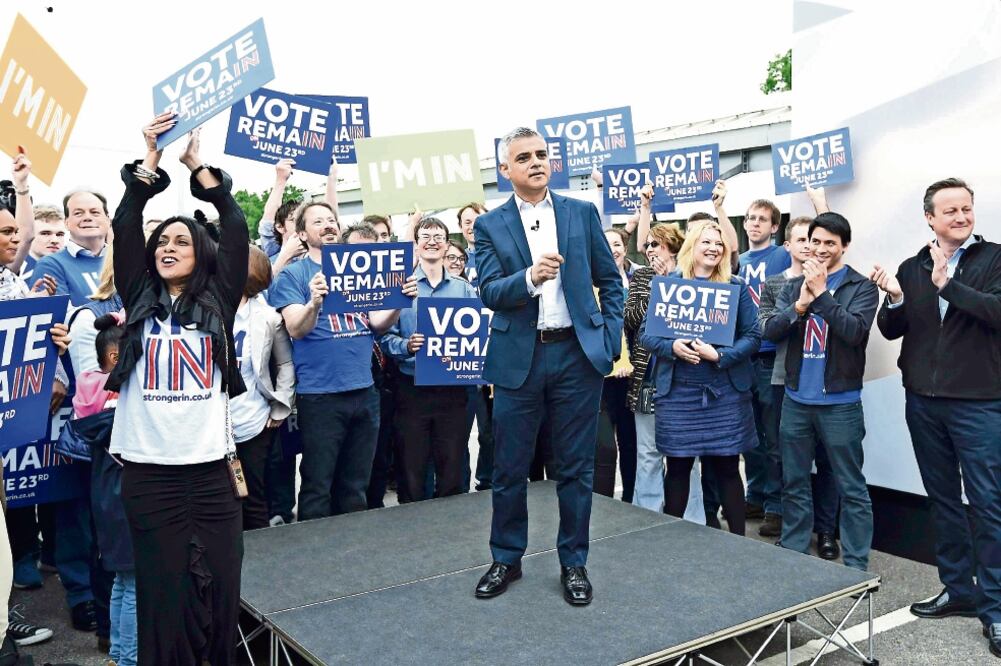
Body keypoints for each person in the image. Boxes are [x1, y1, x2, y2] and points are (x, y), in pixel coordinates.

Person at [106, 115, 249, 665]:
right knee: (163, 599)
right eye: (161, 241)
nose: (167, 246)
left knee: (219, 589)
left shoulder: (220, 298)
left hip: (211, 474)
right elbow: (125, 223)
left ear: (201, 253)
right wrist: (150, 159)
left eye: (180, 240)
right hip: (149, 476)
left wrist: (197, 168)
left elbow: (233, 227)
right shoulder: (139, 298)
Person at [472, 127, 623, 606]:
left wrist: (608, 336)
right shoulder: (489, 225)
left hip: (576, 356)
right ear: (506, 169)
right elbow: (490, 291)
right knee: (509, 468)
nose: (536, 162)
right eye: (524, 157)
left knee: (577, 468)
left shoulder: (580, 212)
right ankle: (506, 557)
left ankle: (574, 563)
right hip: (519, 358)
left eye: (542, 154)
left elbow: (610, 280)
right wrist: (529, 278)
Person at [871, 178, 1001, 655]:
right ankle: (958, 590)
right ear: (930, 218)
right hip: (923, 401)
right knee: (942, 498)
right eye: (950, 211)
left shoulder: (995, 260)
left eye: (966, 208)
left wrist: (952, 285)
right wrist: (897, 296)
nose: (961, 217)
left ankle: (997, 609)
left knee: (988, 503)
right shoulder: (913, 266)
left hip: (980, 402)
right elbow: (890, 330)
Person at [268, 203, 416, 521]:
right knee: (318, 485)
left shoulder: (362, 268)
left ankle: (352, 558)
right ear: (302, 234)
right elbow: (296, 327)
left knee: (355, 486)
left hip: (364, 390)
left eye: (331, 219)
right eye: (317, 221)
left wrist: (399, 300)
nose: (328, 225)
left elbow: (378, 325)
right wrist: (315, 303)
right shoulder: (294, 275)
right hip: (320, 395)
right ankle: (317, 558)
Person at [763, 212, 877, 572]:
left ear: (844, 245)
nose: (822, 248)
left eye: (831, 242)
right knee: (794, 481)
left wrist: (822, 294)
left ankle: (857, 566)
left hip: (840, 403)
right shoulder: (792, 286)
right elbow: (770, 331)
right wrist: (799, 304)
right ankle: (794, 552)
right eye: (816, 241)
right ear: (806, 244)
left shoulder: (860, 286)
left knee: (851, 486)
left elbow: (854, 331)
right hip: (796, 399)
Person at [639, 220, 759, 536]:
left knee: (728, 469)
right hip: (679, 394)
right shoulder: (668, 285)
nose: (713, 248)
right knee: (677, 468)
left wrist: (720, 355)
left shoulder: (736, 285)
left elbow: (753, 336)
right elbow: (646, 335)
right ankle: (675, 542)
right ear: (692, 246)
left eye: (718, 243)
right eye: (706, 242)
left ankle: (738, 542)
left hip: (725, 393)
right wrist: (672, 346)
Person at [0, 155, 71, 663]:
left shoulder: (12, 281)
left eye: (13, 231)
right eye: (4, 233)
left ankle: (4, 623)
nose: (14, 239)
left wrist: (53, 349)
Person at [758, 215, 842, 559]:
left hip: (828, 385)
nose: (810, 246)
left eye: (816, 240)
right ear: (788, 245)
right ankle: (794, 528)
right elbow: (767, 328)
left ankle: (825, 531)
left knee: (828, 460)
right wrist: (800, 305)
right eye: (803, 239)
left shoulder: (840, 281)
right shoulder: (779, 284)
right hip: (785, 381)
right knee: (787, 459)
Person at [380, 218, 479, 500]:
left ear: (447, 244)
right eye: (425, 236)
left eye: (438, 236)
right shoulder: (400, 287)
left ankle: (447, 532)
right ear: (416, 243)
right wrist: (407, 346)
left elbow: (478, 337)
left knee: (451, 466)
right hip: (411, 388)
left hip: (453, 389)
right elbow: (384, 336)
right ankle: (414, 532)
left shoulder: (463, 289)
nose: (432, 241)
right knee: (412, 468)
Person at [624, 222, 703, 519]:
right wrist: (657, 285)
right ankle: (647, 517)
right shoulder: (642, 276)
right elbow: (631, 320)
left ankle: (693, 519)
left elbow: (695, 323)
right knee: (648, 454)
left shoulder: (691, 275)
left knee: (687, 457)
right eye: (647, 246)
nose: (649, 250)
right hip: (648, 377)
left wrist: (672, 283)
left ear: (672, 245)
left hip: (684, 380)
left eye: (655, 244)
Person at [72, 312, 135, 666]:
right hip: (123, 495)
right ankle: (131, 659)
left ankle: (116, 653)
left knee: (121, 581)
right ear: (115, 357)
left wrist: (114, 317)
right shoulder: (118, 391)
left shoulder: (87, 383)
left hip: (103, 497)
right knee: (135, 586)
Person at [737, 197, 791, 534]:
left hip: (772, 355)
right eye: (750, 218)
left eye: (763, 219)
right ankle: (754, 495)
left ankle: (776, 506)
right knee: (751, 435)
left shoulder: (782, 255)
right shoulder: (739, 260)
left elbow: (815, 243)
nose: (755, 223)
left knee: (773, 437)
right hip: (745, 356)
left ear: (774, 227)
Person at [231, 247, 295, 530]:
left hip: (254, 420)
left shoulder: (269, 317)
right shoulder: (205, 307)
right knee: (221, 495)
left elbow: (285, 364)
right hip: (210, 421)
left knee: (253, 493)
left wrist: (281, 407)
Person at [598, 227, 638, 502]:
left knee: (631, 442)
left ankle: (631, 498)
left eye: (617, 243)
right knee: (603, 447)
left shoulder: (638, 280)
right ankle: (603, 500)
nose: (612, 248)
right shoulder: (590, 280)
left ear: (624, 247)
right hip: (601, 375)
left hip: (633, 375)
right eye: (606, 243)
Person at [33, 187, 111, 307]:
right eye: (78, 213)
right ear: (66, 223)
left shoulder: (126, 261)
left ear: (108, 220)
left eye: (95, 212)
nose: (87, 217)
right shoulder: (51, 265)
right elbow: (59, 317)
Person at [20, 205, 66, 281]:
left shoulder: (73, 270)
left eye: (59, 234)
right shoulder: (10, 271)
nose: (55, 240)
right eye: (45, 233)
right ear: (29, 234)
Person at [457, 202, 487, 286]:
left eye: (479, 221)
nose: (473, 226)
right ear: (460, 227)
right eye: (468, 222)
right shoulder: (453, 260)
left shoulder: (502, 256)